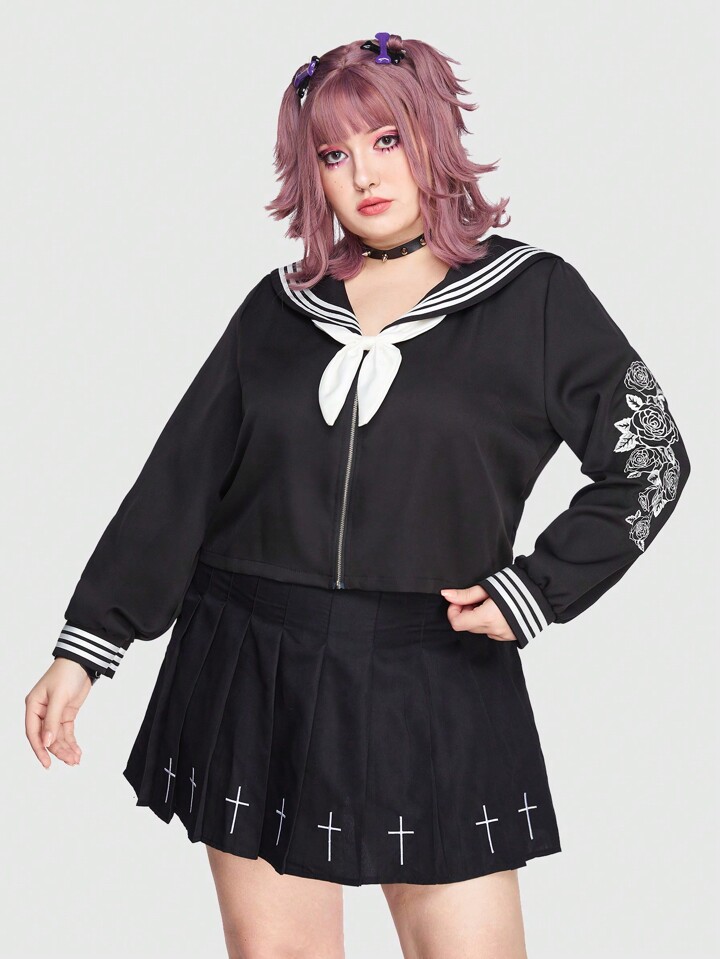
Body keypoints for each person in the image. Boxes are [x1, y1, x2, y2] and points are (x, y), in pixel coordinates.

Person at [25, 31, 691, 959]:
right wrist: (86, 645)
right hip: (257, 666)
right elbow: (179, 481)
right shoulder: (279, 307)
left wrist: (536, 590)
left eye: (387, 140)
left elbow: (653, 460)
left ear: (433, 137)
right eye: (333, 154)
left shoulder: (535, 296)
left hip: (437, 670)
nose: (364, 175)